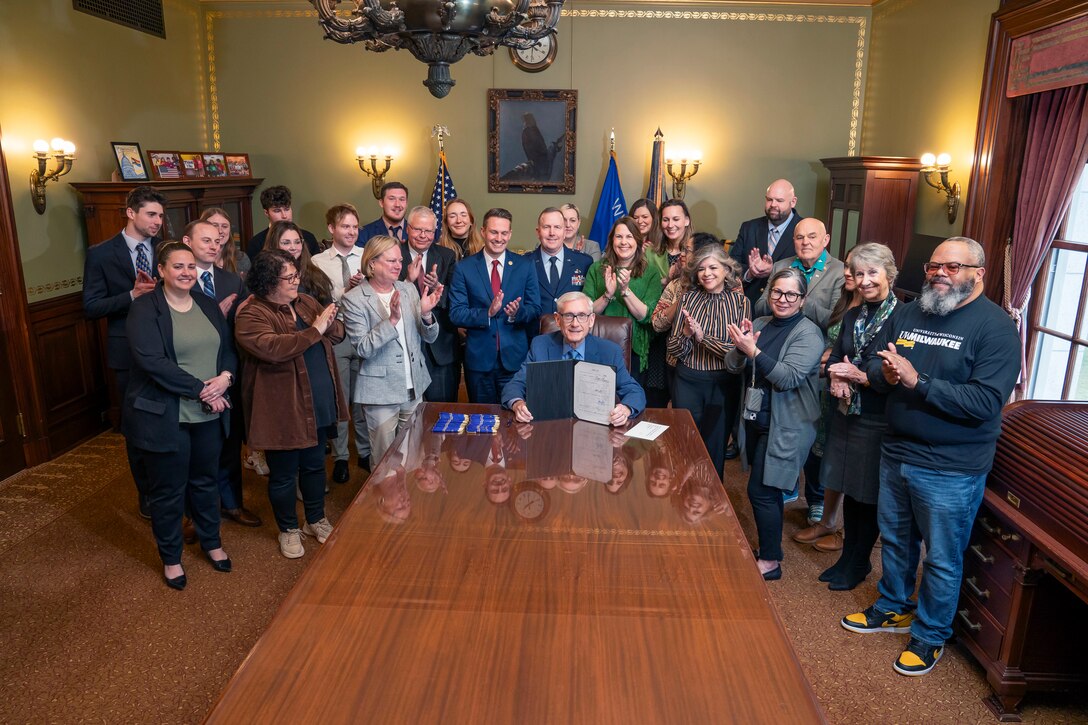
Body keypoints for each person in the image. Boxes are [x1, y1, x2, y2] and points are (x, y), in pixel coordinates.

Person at [842, 237, 1020, 678]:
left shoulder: (995, 328)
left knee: (941, 556)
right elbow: (875, 367)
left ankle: (930, 634)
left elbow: (984, 401)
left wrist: (917, 381)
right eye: (934, 266)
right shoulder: (908, 312)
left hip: (951, 466)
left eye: (953, 267)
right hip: (898, 449)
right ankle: (894, 606)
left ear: (979, 272)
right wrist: (881, 376)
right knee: (897, 540)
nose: (940, 274)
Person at [124, 242, 235, 589]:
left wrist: (225, 378)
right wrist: (204, 391)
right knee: (168, 492)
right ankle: (171, 558)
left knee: (205, 483)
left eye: (191, 266)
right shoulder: (144, 309)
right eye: (178, 266)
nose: (186, 272)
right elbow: (152, 362)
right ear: (161, 271)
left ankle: (212, 543)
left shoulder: (205, 303)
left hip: (209, 415)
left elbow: (228, 349)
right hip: (166, 416)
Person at [234, 250, 348, 559]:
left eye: (296, 275)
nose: (297, 280)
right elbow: (273, 348)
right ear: (270, 281)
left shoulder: (306, 302)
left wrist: (332, 322)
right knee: (284, 475)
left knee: (314, 466)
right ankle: (288, 529)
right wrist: (317, 329)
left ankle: (315, 519)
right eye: (290, 277)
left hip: (318, 398)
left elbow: (336, 335)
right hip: (282, 408)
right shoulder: (251, 313)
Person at [725, 268, 824, 581]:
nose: (782, 299)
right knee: (762, 487)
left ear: (802, 299)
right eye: (777, 292)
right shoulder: (760, 323)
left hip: (788, 424)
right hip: (757, 418)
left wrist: (753, 350)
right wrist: (742, 349)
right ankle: (769, 553)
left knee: (762, 491)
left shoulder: (808, 333)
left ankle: (771, 560)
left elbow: (787, 378)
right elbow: (731, 365)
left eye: (791, 294)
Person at [813, 243, 899, 591]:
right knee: (848, 486)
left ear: (889, 275)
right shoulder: (853, 315)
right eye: (859, 273)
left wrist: (856, 374)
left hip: (879, 415)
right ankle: (848, 557)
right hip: (847, 412)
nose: (865, 281)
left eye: (872, 273)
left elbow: (891, 367)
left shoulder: (902, 317)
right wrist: (836, 374)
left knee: (868, 494)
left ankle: (860, 560)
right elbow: (841, 356)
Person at [82, 185, 166, 518]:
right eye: (151, 214)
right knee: (138, 426)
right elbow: (90, 306)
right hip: (127, 353)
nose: (158, 221)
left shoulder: (167, 250)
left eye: (161, 215)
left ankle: (174, 488)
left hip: (168, 346)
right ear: (130, 213)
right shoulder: (101, 254)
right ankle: (147, 495)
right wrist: (131, 295)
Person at [181, 220, 261, 528]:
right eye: (206, 240)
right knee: (195, 450)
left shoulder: (232, 280)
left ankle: (232, 504)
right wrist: (216, 313)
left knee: (229, 442)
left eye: (217, 241)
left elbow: (240, 330)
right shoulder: (179, 280)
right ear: (187, 241)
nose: (214, 246)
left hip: (227, 371)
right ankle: (192, 515)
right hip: (192, 375)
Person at [341, 234, 442, 465]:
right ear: (372, 263)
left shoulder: (408, 290)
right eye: (391, 261)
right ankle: (384, 502)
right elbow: (363, 348)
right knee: (385, 461)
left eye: (399, 261)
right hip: (380, 394)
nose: (398, 266)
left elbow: (429, 337)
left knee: (414, 455)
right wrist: (392, 321)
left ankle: (409, 501)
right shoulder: (354, 299)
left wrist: (426, 314)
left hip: (413, 388)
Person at [793, 252, 862, 549]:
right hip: (827, 388)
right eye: (847, 266)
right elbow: (834, 342)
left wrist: (833, 362)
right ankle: (827, 521)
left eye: (854, 269)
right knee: (826, 453)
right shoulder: (847, 301)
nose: (847, 273)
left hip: (856, 395)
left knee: (848, 462)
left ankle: (845, 532)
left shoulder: (884, 310)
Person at [501, 291, 646, 425]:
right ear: (558, 319)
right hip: (549, 427)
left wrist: (626, 409)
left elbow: (634, 391)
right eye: (568, 316)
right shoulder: (540, 346)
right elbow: (515, 385)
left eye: (582, 316)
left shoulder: (609, 351)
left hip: (594, 430)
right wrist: (518, 404)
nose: (575, 324)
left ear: (591, 320)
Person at [666, 244, 750, 476]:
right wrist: (685, 334)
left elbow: (737, 352)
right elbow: (674, 349)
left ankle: (712, 506)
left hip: (723, 384)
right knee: (685, 445)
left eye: (713, 267)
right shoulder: (687, 299)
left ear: (726, 270)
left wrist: (702, 338)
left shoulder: (741, 303)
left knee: (714, 451)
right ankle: (683, 502)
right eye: (701, 269)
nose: (707, 273)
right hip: (687, 381)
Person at [448, 208, 542, 404]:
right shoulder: (464, 268)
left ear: (510, 234)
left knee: (516, 423)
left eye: (504, 233)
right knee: (482, 425)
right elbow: (456, 313)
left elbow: (535, 308)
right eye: (493, 232)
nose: (499, 238)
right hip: (479, 362)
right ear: (483, 232)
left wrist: (518, 313)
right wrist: (487, 313)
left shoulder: (524, 265)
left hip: (514, 361)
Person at [310, 203, 372, 481]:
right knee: (341, 399)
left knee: (364, 398)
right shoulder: (318, 262)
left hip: (366, 334)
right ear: (331, 229)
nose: (351, 231)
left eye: (354, 226)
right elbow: (316, 305)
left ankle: (365, 451)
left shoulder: (368, 256)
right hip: (336, 335)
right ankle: (341, 456)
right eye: (345, 226)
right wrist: (346, 291)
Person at [583, 216, 663, 385]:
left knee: (628, 402)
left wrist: (625, 290)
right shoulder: (596, 269)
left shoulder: (651, 272)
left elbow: (646, 316)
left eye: (629, 237)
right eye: (619, 237)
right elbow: (586, 311)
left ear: (638, 241)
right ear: (612, 240)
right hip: (599, 346)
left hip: (633, 350)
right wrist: (607, 295)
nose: (623, 242)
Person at [396, 207, 460, 402]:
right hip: (403, 347)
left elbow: (456, 301)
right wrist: (407, 279)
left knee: (442, 414)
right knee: (408, 420)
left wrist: (436, 289)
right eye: (417, 230)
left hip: (440, 350)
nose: (423, 236)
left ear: (435, 232)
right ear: (407, 228)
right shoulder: (393, 254)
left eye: (429, 231)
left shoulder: (447, 256)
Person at [754, 217, 845, 332]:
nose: (805, 242)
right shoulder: (780, 266)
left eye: (812, 237)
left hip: (816, 340)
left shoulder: (839, 271)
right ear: (794, 241)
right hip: (777, 333)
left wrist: (800, 301)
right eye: (799, 237)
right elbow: (759, 309)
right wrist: (780, 297)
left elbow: (835, 323)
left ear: (825, 240)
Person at [730, 179, 803, 305]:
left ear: (793, 202)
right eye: (769, 199)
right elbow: (731, 265)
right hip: (748, 305)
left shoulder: (804, 230)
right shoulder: (749, 228)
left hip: (786, 306)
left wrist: (774, 270)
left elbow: (807, 270)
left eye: (779, 200)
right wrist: (750, 273)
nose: (773, 204)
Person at [531, 207, 593, 317]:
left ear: (564, 232)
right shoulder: (524, 263)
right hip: (535, 332)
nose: (552, 233)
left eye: (557, 227)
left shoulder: (584, 262)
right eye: (546, 227)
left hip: (573, 330)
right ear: (538, 232)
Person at [264, 220, 334, 305]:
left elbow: (328, 307)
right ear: (273, 244)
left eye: (297, 242)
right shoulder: (263, 277)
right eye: (286, 243)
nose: (293, 247)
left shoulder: (317, 275)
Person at [245, 185, 321, 260]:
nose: (284, 216)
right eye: (277, 211)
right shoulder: (256, 243)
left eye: (287, 209)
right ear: (266, 213)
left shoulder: (308, 238)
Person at [653, 199, 694, 287]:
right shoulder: (650, 252)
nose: (670, 225)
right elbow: (644, 286)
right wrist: (666, 279)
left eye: (676, 219)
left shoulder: (698, 250)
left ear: (686, 221)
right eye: (665, 220)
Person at [200, 207, 250, 278]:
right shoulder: (196, 260)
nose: (220, 231)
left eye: (224, 226)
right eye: (215, 225)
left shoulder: (241, 259)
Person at [358, 181, 409, 246]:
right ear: (381, 203)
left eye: (402, 199)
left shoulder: (418, 233)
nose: (397, 204)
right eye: (392, 199)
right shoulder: (364, 233)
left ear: (407, 204)